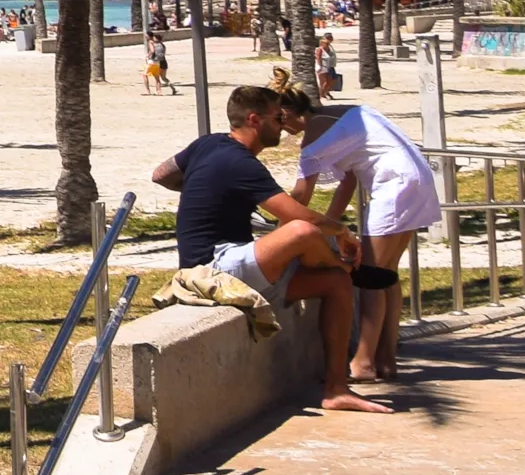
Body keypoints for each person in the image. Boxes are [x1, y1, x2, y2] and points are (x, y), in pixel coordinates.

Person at [153, 85, 387, 413]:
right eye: (277, 117)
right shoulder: (240, 163)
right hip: (213, 266)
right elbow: (297, 217)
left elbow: (161, 174)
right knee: (303, 232)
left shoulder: (207, 144)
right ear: (254, 119)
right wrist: (343, 231)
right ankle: (344, 264)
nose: (283, 125)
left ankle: (336, 389)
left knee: (335, 283)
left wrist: (201, 184)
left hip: (236, 258)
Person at [288, 89, 443, 383]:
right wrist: (332, 226)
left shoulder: (313, 134)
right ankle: (386, 359)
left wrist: (270, 213)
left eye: (282, 123)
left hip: (394, 183)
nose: (285, 132)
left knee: (370, 277)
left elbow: (300, 195)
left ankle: (364, 361)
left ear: (289, 113)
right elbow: (348, 181)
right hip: (414, 176)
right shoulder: (345, 114)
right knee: (386, 275)